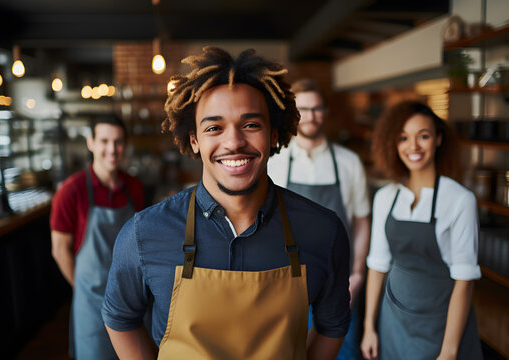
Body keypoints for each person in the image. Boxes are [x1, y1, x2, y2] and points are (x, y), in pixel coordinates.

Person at [102, 46, 351, 360]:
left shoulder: (322, 231)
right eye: (214, 128)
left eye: (251, 125)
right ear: (194, 140)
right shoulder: (143, 233)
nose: (233, 142)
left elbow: (333, 323)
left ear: (274, 135)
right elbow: (120, 318)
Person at [360, 100, 483, 360]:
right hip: (393, 320)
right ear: (393, 144)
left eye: (423, 136)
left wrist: (449, 352)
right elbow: (378, 266)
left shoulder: (460, 200)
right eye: (403, 137)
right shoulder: (386, 197)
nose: (413, 146)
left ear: (438, 139)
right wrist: (369, 326)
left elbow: (465, 281)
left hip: (442, 326)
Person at [267, 78, 371, 360]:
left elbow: (361, 221)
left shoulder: (349, 162)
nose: (311, 116)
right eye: (303, 109)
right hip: (286, 283)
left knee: (343, 352)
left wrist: (357, 273)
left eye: (317, 109)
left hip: (340, 283)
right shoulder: (274, 161)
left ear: (325, 112)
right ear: (293, 114)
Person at [50, 114, 145, 360]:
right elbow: (60, 250)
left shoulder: (135, 188)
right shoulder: (71, 191)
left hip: (133, 302)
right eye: (104, 141)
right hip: (92, 307)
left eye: (118, 142)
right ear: (90, 142)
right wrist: (84, 290)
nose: (112, 149)